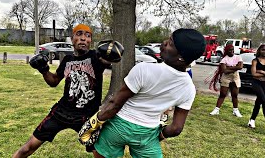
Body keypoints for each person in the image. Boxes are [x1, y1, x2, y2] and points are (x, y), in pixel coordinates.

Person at [78, 28, 206, 157]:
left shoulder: (144, 69)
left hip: (117, 127)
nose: (164, 42)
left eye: (170, 43)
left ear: (182, 58)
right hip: (147, 133)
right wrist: (157, 137)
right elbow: (176, 128)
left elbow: (114, 104)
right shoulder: (189, 88)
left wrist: (92, 125)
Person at [13, 24, 114, 157]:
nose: (83, 38)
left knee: (100, 154)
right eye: (79, 34)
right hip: (61, 112)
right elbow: (54, 81)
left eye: (87, 36)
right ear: (72, 39)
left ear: (90, 41)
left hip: (87, 116)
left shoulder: (95, 57)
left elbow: (107, 60)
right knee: (28, 148)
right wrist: (44, 70)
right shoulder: (67, 60)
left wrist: (112, 52)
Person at [209, 44, 243, 117]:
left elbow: (240, 67)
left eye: (232, 49)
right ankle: (216, 109)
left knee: (235, 94)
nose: (232, 51)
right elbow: (224, 70)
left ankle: (235, 110)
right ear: (226, 51)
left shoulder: (238, 57)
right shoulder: (224, 59)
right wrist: (235, 67)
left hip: (235, 77)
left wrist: (229, 67)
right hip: (226, 77)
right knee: (223, 94)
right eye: (230, 50)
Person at [247, 44, 265, 128]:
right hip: (256, 83)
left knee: (258, 102)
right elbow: (253, 74)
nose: (264, 51)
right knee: (264, 100)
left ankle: (252, 120)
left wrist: (261, 71)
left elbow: (257, 72)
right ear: (259, 50)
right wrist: (260, 73)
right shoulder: (255, 60)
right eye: (263, 49)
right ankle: (252, 120)